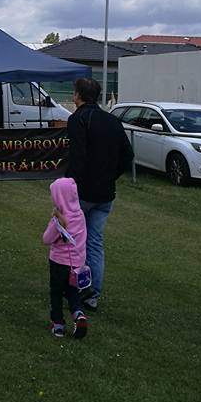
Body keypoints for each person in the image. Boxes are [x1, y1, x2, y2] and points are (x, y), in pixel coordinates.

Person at [65, 77, 134, 311]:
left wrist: (69, 187)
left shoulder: (77, 119)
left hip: (82, 193)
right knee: (95, 242)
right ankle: (92, 293)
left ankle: (76, 287)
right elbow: (128, 155)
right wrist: (110, 176)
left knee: (73, 241)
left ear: (78, 95)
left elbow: (77, 157)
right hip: (105, 194)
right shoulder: (113, 120)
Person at [42, 177, 89, 339]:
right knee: (73, 292)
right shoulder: (80, 215)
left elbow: (46, 239)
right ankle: (78, 315)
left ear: (58, 197)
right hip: (77, 264)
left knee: (56, 293)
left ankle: (58, 325)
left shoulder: (59, 220)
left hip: (58, 263)